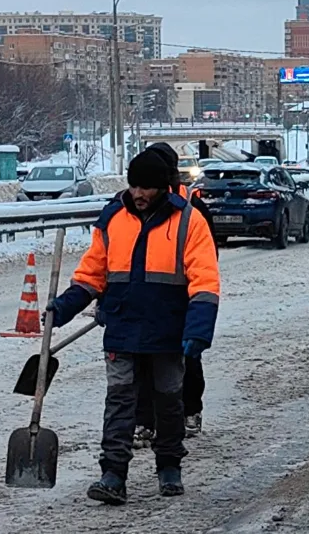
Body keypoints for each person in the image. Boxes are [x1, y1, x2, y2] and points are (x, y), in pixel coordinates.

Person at [44, 147, 220, 505]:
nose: (139, 194)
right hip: (122, 328)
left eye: (147, 188)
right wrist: (64, 306)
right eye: (134, 186)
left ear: (163, 187)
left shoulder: (188, 221)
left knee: (168, 401)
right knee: (120, 402)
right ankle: (113, 474)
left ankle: (169, 467)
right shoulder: (113, 219)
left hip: (169, 330)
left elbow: (204, 279)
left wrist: (199, 330)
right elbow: (93, 274)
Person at [132, 143, 217, 443]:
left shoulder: (193, 209)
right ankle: (144, 420)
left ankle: (190, 411)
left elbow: (207, 259)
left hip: (181, 301)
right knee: (141, 363)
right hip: (145, 302)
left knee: (187, 360)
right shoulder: (137, 208)